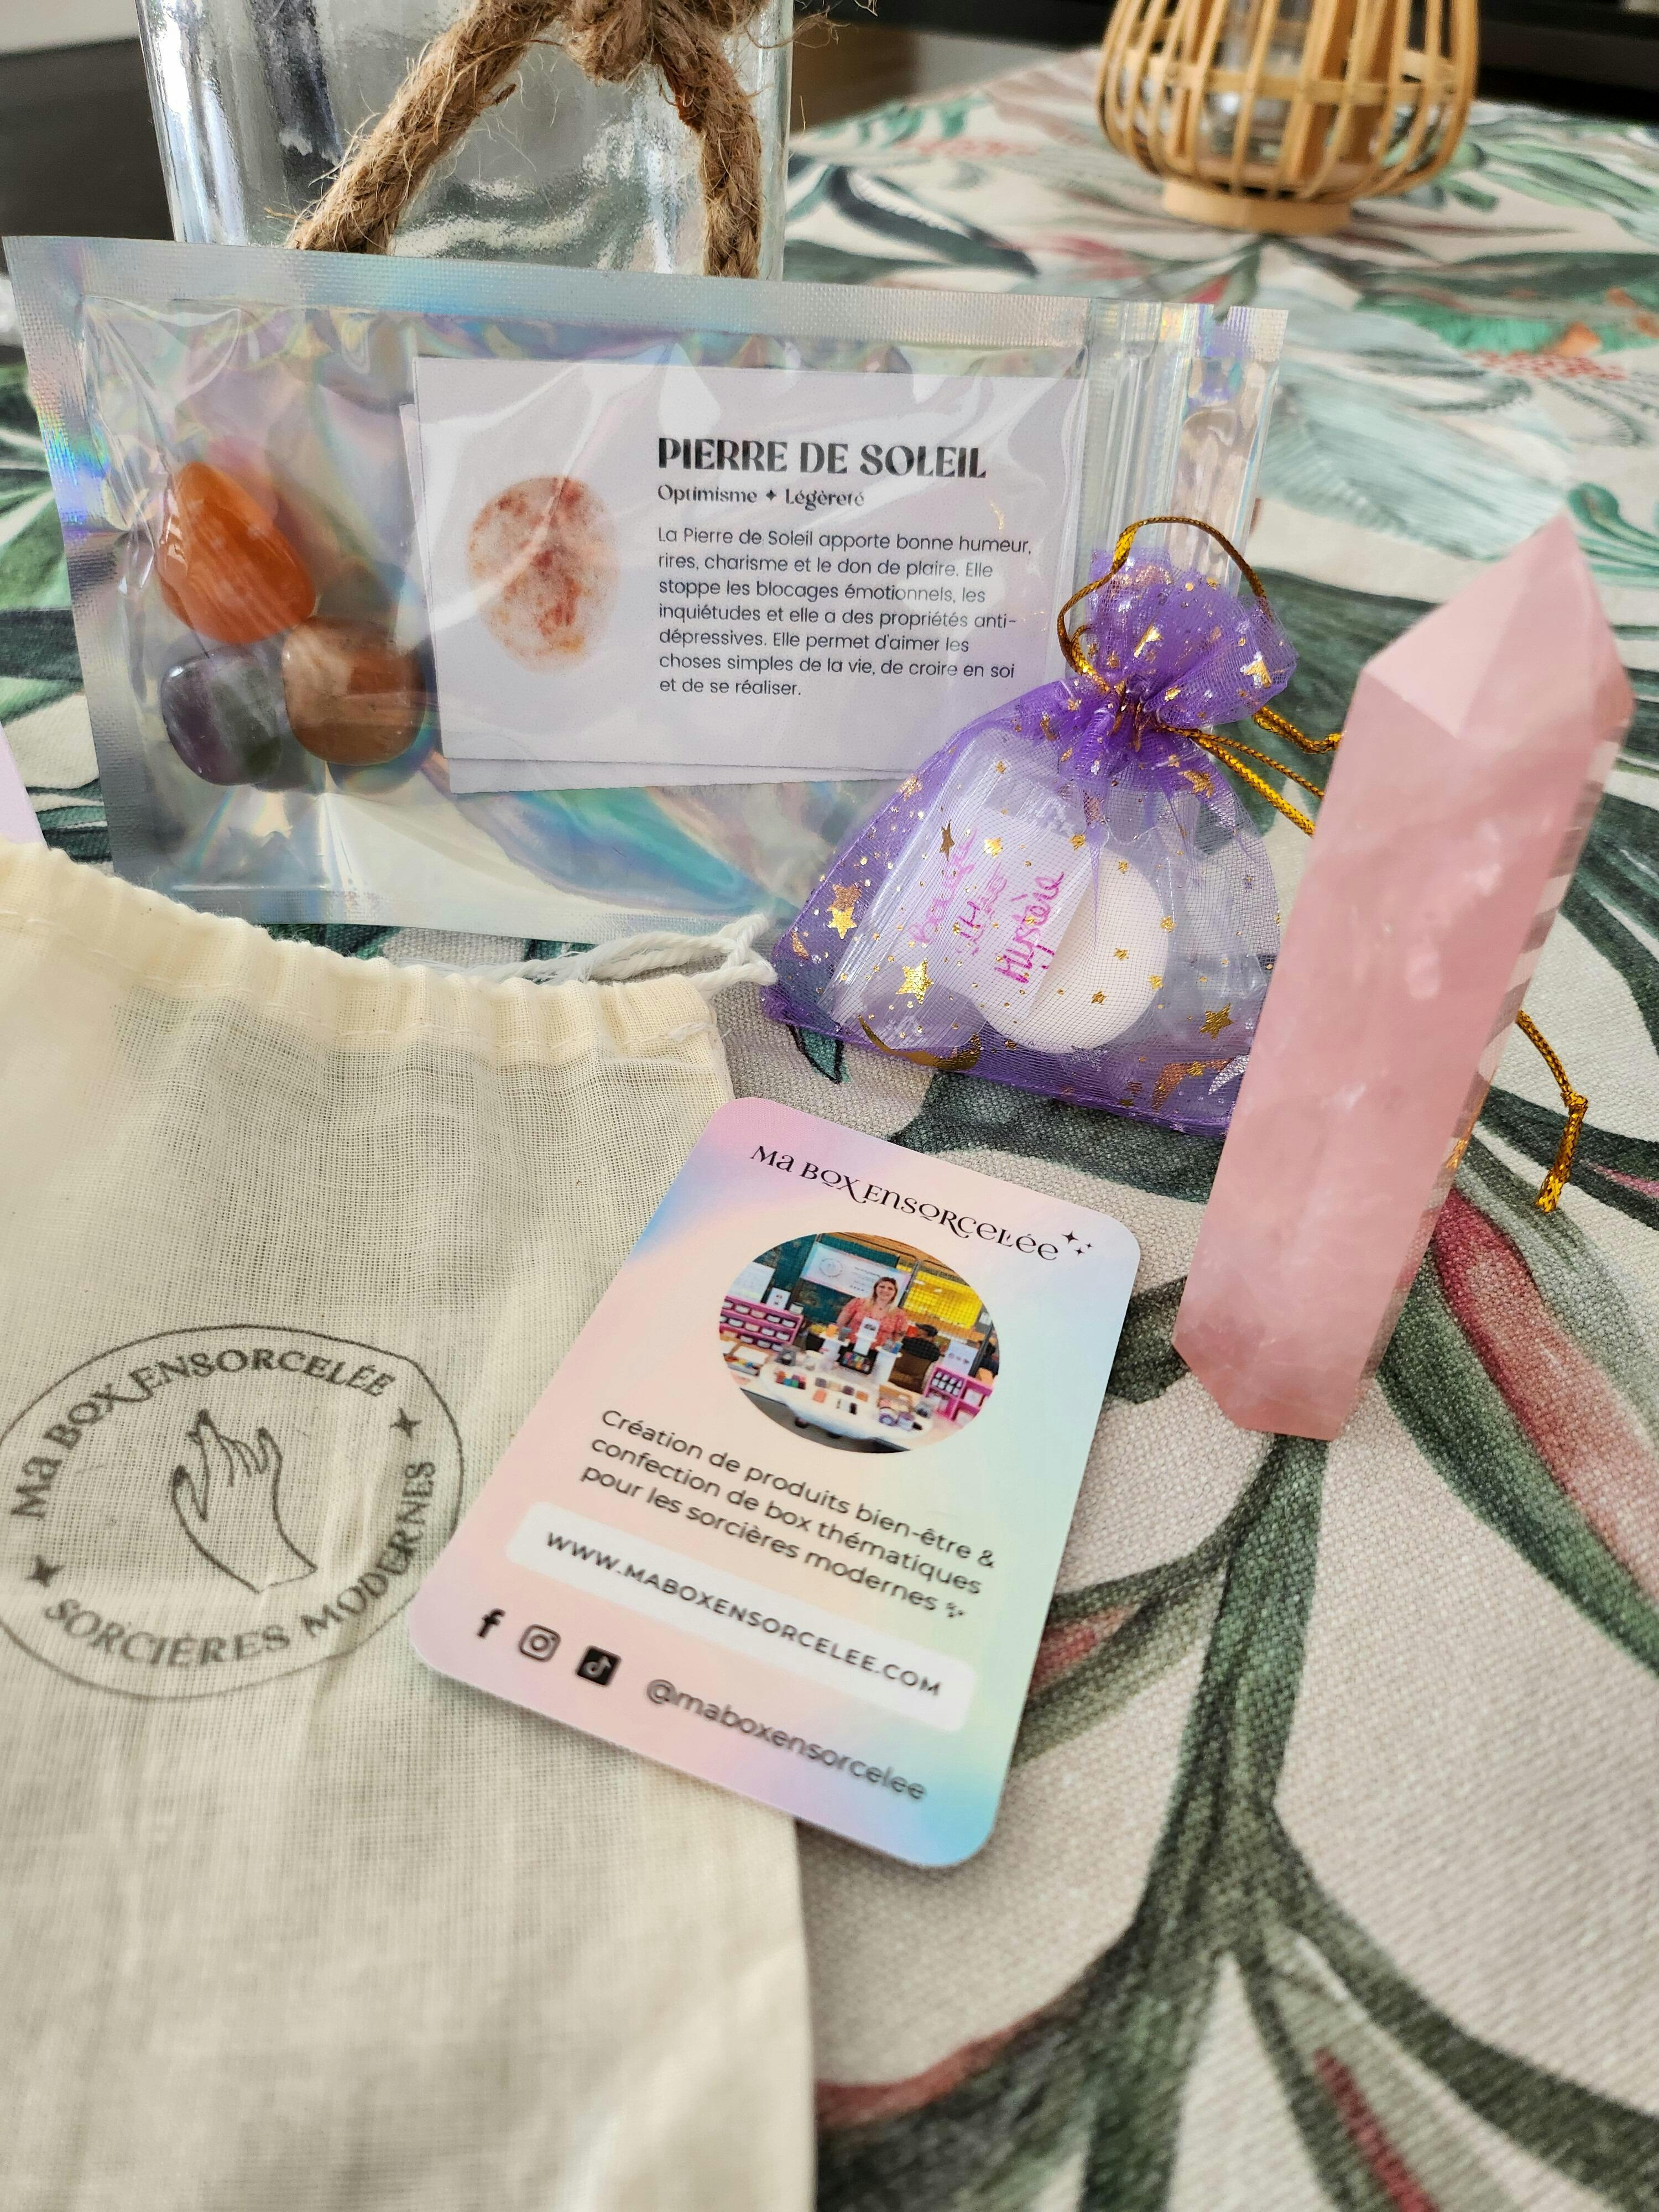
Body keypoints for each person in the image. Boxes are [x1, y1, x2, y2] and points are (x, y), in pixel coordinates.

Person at [833, 1275, 911, 1353]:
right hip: (849, 1347)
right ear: (875, 1288)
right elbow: (841, 1322)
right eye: (882, 1287)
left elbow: (898, 1338)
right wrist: (842, 1340)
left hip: (876, 1353)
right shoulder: (859, 1303)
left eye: (890, 1289)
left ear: (895, 1293)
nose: (885, 1290)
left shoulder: (900, 1315)